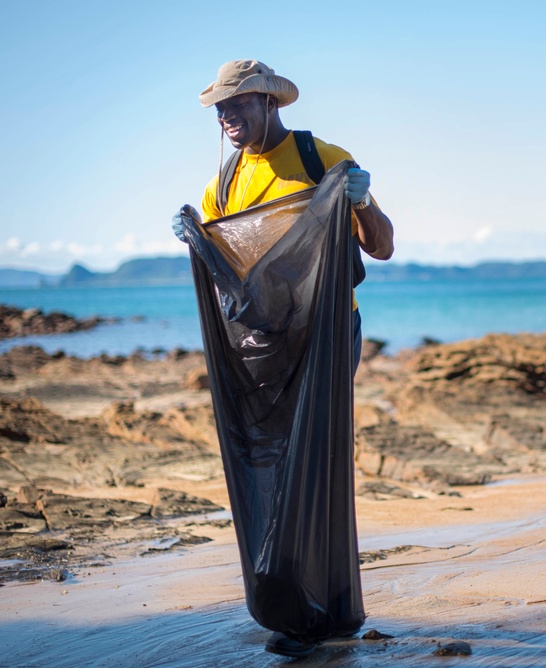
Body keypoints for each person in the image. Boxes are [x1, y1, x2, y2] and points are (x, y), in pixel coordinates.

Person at [171, 60, 394, 658]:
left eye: (237, 104)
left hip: (324, 335)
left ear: (270, 102)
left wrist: (362, 199)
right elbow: (234, 278)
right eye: (221, 108)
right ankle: (326, 606)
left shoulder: (321, 159)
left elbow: (384, 245)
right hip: (263, 350)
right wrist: (198, 239)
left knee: (310, 463)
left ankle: (303, 617)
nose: (226, 117)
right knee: (270, 465)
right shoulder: (220, 188)